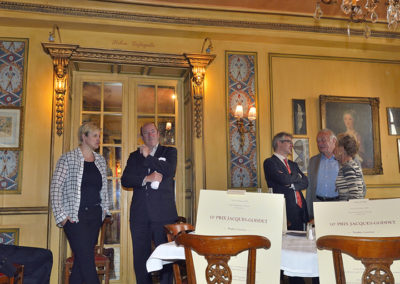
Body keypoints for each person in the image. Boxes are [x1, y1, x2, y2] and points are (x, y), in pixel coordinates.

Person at [50, 122, 110, 284]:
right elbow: (55, 189)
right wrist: (62, 217)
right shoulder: (68, 158)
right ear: (84, 137)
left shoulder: (100, 161)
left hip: (95, 216)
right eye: (95, 136)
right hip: (74, 218)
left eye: (100, 136)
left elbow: (104, 188)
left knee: (81, 263)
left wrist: (104, 210)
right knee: (87, 261)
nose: (99, 139)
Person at [121, 122, 178, 284]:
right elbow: (126, 180)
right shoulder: (134, 156)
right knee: (140, 259)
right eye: (145, 133)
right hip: (139, 216)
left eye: (152, 132)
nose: (150, 135)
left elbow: (169, 170)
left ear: (158, 133)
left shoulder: (169, 151)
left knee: (166, 259)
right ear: (142, 137)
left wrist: (148, 157)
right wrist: (146, 179)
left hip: (164, 215)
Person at [263, 132, 309, 231]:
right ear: (279, 143)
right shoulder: (270, 162)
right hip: (285, 210)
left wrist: (292, 185)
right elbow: (284, 180)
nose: (292, 145)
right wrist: (298, 176)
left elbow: (305, 182)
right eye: (289, 142)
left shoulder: (293, 164)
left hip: (300, 209)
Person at [306, 129, 339, 220]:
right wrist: (308, 210)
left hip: (339, 205)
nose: (320, 144)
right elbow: (309, 188)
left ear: (334, 141)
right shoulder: (313, 161)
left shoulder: (345, 159)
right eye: (318, 141)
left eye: (323, 140)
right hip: (318, 205)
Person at [334, 133, 366, 200]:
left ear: (341, 149)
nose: (334, 150)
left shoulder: (347, 167)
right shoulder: (352, 165)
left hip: (348, 209)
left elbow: (354, 196)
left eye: (336, 146)